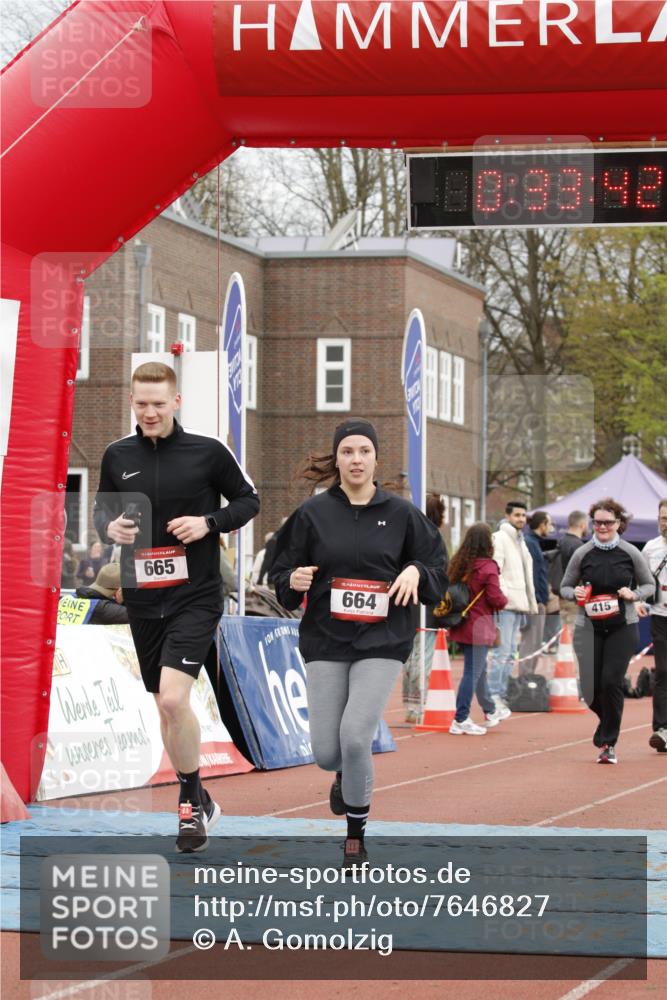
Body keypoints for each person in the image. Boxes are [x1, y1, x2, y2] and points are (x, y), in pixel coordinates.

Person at [93, 361, 259, 851]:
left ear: (176, 402)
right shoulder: (116, 454)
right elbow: (103, 509)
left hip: (196, 595)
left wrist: (209, 522)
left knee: (172, 698)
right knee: (165, 709)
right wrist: (111, 529)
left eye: (158, 404)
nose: (149, 412)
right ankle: (200, 797)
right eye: (141, 403)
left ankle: (188, 806)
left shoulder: (207, 452)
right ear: (131, 401)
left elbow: (248, 501)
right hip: (143, 596)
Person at [270, 418, 447, 867]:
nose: (356, 459)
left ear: (375, 459)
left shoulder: (402, 513)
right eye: (347, 451)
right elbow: (279, 576)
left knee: (354, 736)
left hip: (382, 640)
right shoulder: (313, 513)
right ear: (338, 459)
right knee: (327, 753)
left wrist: (416, 572)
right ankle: (344, 776)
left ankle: (355, 835)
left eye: (364, 451)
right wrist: (292, 578)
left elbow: (438, 570)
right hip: (326, 639)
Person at [560, 497, 654, 764]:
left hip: (622, 626)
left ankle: (608, 742)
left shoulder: (630, 552)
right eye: (597, 522)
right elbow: (565, 586)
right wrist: (575, 592)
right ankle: (607, 719)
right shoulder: (582, 552)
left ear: (618, 524)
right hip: (587, 627)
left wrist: (632, 593)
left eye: (607, 522)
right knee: (589, 689)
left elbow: (650, 586)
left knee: (611, 681)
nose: (602, 527)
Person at [446, 522, 508, 734]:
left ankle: (490, 711)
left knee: (479, 670)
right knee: (472, 672)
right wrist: (504, 599)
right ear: (488, 542)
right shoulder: (488, 567)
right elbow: (496, 598)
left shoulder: (459, 564)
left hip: (462, 622)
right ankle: (460, 718)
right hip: (479, 625)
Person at [402, 493, 449, 723]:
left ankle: (411, 705)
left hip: (409, 607)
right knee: (424, 658)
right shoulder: (434, 540)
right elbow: (442, 573)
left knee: (411, 659)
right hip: (427, 609)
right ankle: (420, 705)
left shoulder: (409, 537)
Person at [487, 501, 538, 712]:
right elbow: (495, 569)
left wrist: (528, 602)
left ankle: (504, 691)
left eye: (524, 515)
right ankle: (493, 694)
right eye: (517, 515)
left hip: (520, 604)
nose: (521, 519)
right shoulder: (500, 538)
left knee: (510, 653)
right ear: (508, 516)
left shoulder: (521, 540)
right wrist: (502, 597)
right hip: (506, 604)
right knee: (502, 651)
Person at [638, 498, 667, 753]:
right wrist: (640, 600)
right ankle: (661, 729)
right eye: (662, 518)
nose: (664, 524)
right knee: (663, 671)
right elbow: (643, 581)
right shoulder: (650, 548)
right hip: (660, 616)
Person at [518, 510, 552, 669]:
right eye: (549, 524)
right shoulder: (530, 543)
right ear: (542, 524)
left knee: (535, 642)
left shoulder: (534, 543)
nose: (551, 528)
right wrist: (537, 600)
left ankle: (527, 675)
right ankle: (525, 677)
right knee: (531, 641)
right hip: (534, 601)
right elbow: (532, 574)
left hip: (537, 600)